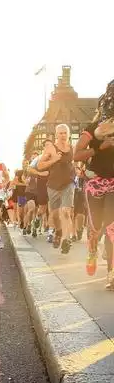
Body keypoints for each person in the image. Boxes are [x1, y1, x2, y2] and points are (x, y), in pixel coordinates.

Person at [74, 80, 114, 287]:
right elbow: (76, 154)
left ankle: (112, 274)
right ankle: (91, 250)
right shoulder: (93, 128)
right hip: (96, 183)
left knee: (111, 227)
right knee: (95, 228)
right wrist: (100, 148)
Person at [38, 124, 75, 253]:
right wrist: (53, 160)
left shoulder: (72, 148)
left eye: (65, 133)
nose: (63, 135)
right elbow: (40, 165)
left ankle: (66, 239)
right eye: (60, 133)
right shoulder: (50, 149)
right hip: (53, 185)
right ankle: (59, 232)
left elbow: (76, 162)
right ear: (56, 134)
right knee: (54, 216)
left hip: (68, 183)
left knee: (65, 211)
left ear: (69, 134)